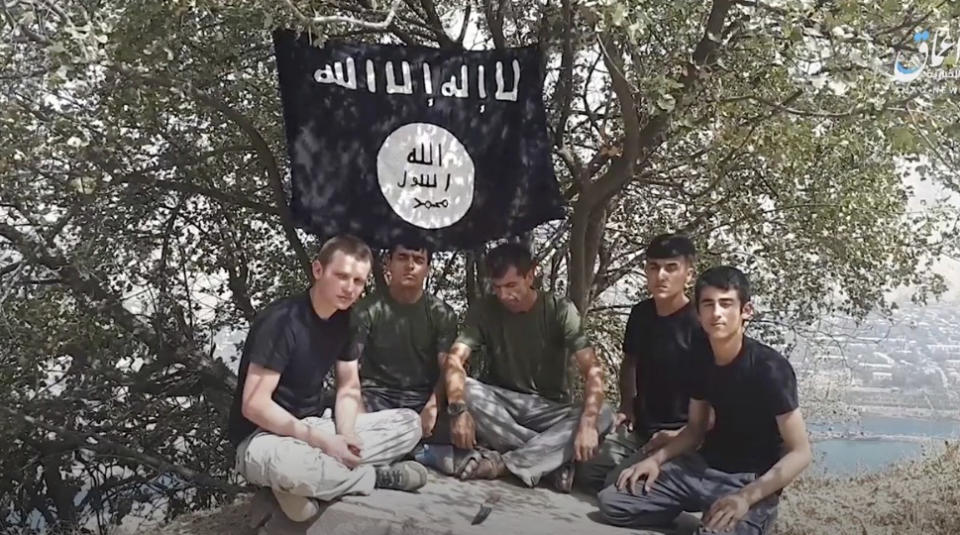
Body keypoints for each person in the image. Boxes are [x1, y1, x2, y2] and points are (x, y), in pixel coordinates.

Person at [227, 235, 428, 523]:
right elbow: (254, 405)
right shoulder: (282, 321)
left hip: (314, 425)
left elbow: (348, 386)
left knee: (409, 423)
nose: (350, 288)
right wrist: (323, 442)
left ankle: (312, 482)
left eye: (358, 281)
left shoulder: (345, 319)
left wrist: (346, 434)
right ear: (318, 270)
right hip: (263, 437)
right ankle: (370, 476)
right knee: (288, 466)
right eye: (342, 276)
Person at [597, 266, 811, 534]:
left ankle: (734, 520)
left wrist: (746, 498)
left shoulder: (770, 369)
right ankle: (688, 512)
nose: (717, 313)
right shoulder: (700, 359)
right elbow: (696, 429)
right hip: (702, 467)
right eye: (708, 304)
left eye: (726, 304)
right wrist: (656, 459)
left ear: (746, 311)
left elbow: (800, 452)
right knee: (613, 502)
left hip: (747, 480)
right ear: (698, 313)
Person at [444, 242, 613, 492]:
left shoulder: (560, 310)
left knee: (604, 412)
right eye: (497, 287)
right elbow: (454, 359)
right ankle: (550, 462)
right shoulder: (484, 309)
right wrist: (458, 410)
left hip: (549, 408)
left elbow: (593, 371)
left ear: (531, 275)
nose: (504, 296)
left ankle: (508, 462)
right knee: (465, 389)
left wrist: (588, 424)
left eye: (512, 285)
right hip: (504, 405)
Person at [577, 233, 704, 492]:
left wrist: (683, 433)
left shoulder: (699, 326)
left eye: (671, 268)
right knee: (586, 473)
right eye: (654, 267)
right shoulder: (641, 313)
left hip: (678, 435)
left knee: (616, 485)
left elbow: (715, 395)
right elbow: (630, 361)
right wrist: (627, 404)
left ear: (688, 275)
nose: (661, 276)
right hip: (641, 428)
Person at [349, 242, 458, 442]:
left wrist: (433, 405)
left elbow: (447, 368)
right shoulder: (366, 310)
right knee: (347, 424)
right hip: (376, 397)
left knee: (458, 429)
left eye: (418, 260)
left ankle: (414, 453)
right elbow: (349, 366)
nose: (410, 266)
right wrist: (358, 410)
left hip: (422, 398)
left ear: (428, 269)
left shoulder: (442, 314)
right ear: (387, 263)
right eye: (402, 258)